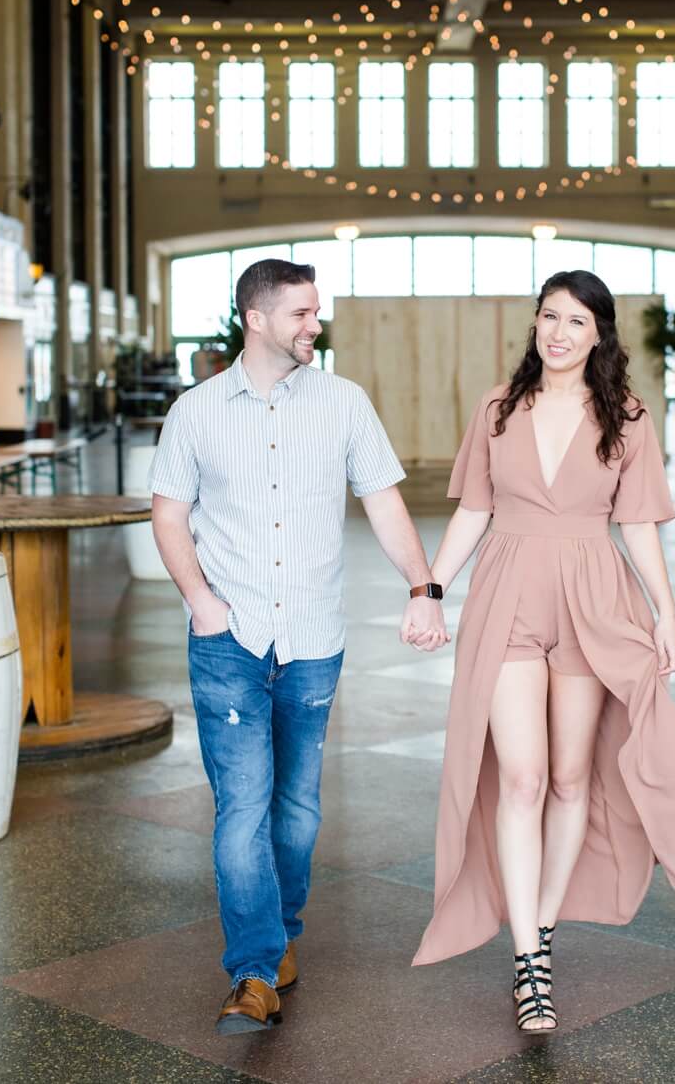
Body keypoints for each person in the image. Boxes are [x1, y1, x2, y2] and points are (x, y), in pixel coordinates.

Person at [411, 270, 675, 1030]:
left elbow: (637, 526)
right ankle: (528, 961)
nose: (559, 332)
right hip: (508, 593)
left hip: (594, 598)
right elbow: (474, 507)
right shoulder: (498, 408)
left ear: (600, 334)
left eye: (577, 321)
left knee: (569, 779)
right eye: (549, 317)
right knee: (521, 778)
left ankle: (543, 928)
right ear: (535, 324)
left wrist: (666, 612)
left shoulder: (626, 416)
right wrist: (430, 588)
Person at [148, 257, 447, 1035]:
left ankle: (279, 935)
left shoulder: (345, 405)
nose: (315, 325)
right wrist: (202, 604)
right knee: (242, 807)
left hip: (314, 638)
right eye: (302, 314)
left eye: (317, 313)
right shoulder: (197, 411)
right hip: (228, 639)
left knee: (299, 813)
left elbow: (382, 501)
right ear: (256, 318)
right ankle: (253, 971)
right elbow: (169, 515)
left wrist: (424, 587)